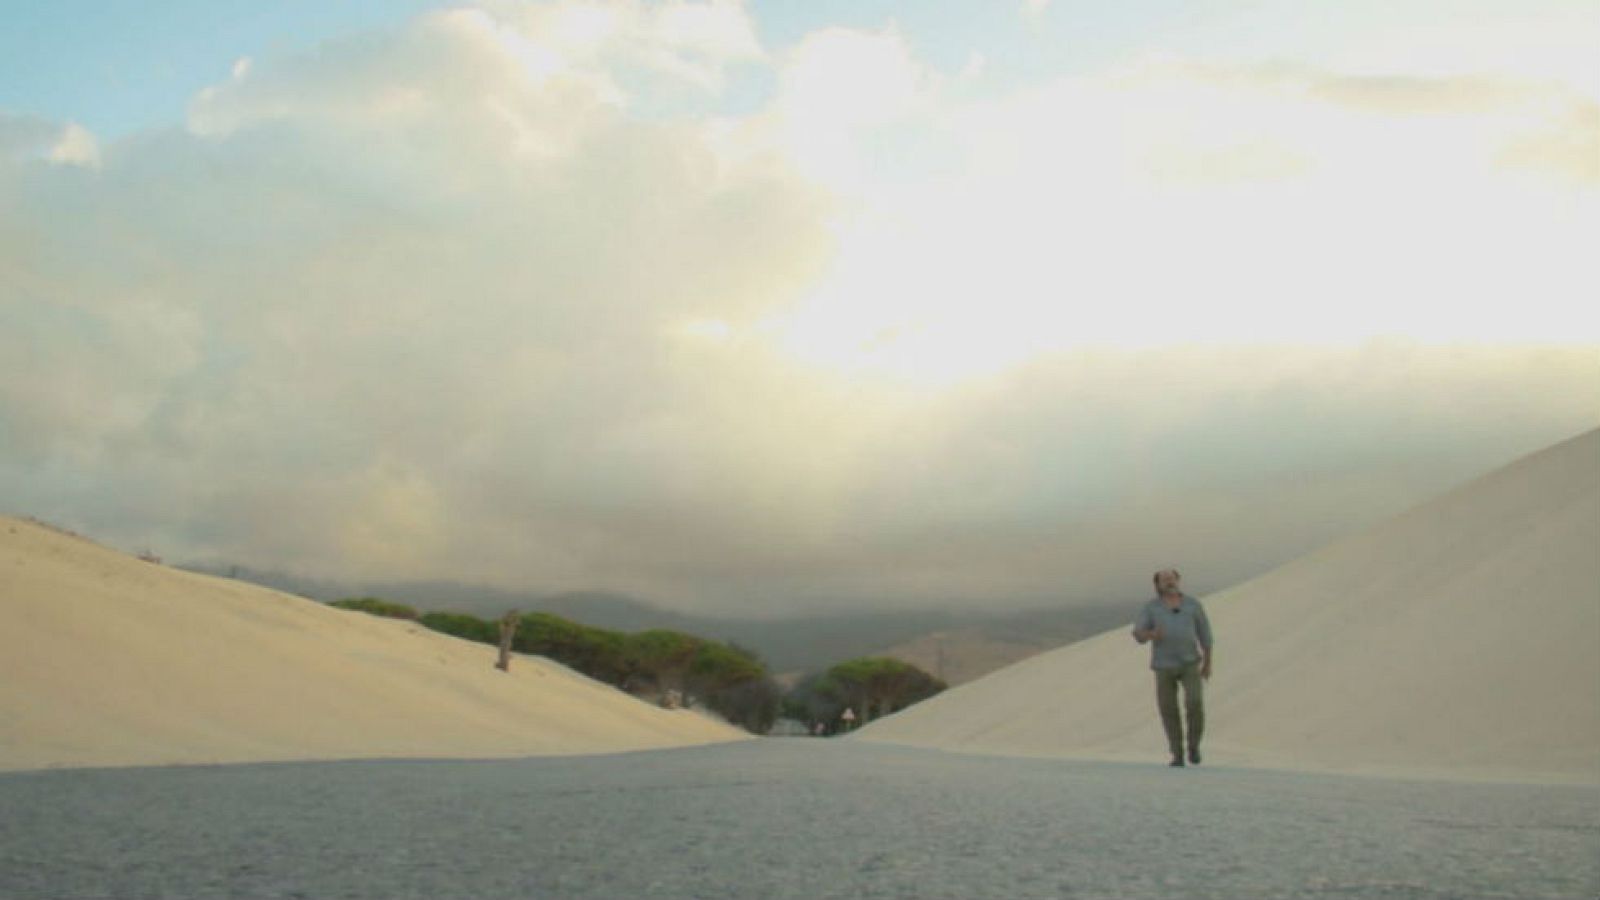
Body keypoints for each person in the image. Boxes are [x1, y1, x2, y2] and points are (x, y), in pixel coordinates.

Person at [1131, 568, 1213, 767]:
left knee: (1194, 703)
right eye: (1164, 580)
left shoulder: (1193, 605)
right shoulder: (1152, 608)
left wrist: (1208, 663)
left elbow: (1205, 634)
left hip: (1190, 662)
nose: (1169, 582)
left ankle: (1193, 746)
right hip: (1163, 665)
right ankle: (1177, 753)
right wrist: (1151, 635)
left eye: (1172, 578)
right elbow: (1138, 634)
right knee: (1168, 709)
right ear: (1157, 585)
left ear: (1178, 580)